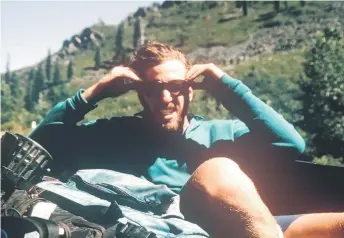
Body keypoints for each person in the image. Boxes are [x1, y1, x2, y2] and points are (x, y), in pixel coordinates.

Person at [29, 42, 343, 238]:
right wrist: (95, 92)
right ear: (140, 94)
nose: (165, 98)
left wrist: (226, 87)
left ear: (191, 90)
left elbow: (291, 145)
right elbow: (40, 144)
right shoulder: (116, 133)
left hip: (245, 226)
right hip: (168, 228)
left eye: (176, 86)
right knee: (217, 169)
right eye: (153, 89)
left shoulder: (221, 132)